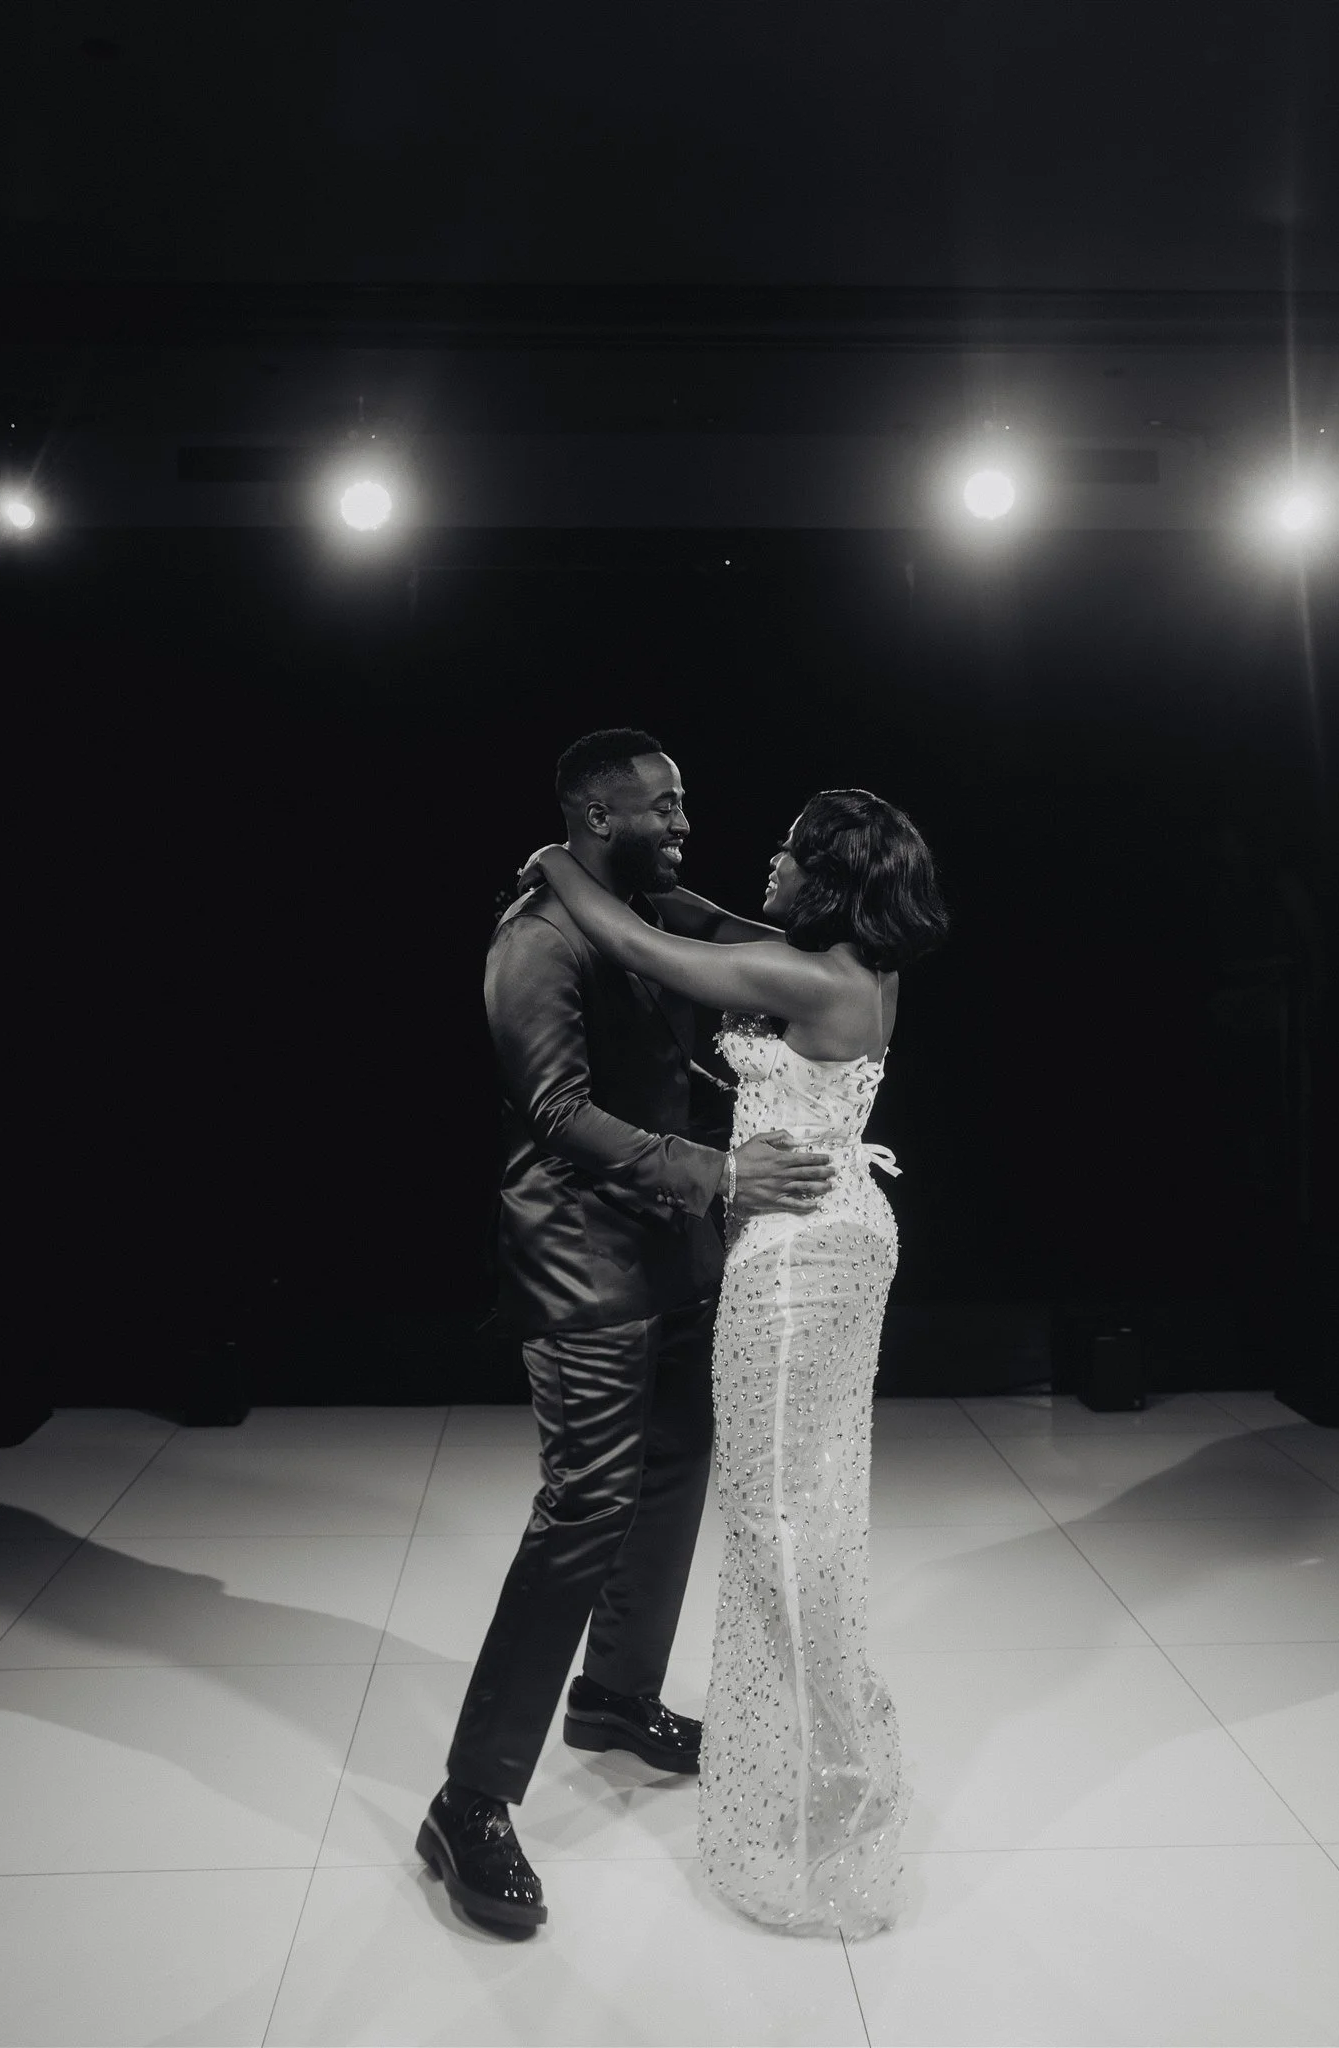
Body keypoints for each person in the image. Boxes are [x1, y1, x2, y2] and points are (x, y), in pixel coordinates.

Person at [416, 729, 839, 1935]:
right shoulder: (533, 940)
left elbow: (740, 940)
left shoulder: (632, 901)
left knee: (672, 1473)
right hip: (582, 1265)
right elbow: (554, 1113)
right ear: (600, 816)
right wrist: (721, 1170)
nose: (686, 819)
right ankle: (470, 1798)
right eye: (664, 804)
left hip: (668, 1251)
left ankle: (611, 1697)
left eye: (685, 797)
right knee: (584, 1506)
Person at [525, 782, 950, 1937]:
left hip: (798, 1255)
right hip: (850, 1229)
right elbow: (702, 915)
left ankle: (823, 1790)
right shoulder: (856, 964)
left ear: (821, 878)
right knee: (809, 1505)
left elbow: (638, 943)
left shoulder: (804, 978)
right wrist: (650, 877)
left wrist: (557, 862)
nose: (762, 864)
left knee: (775, 1520)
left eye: (783, 853)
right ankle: (821, 1761)